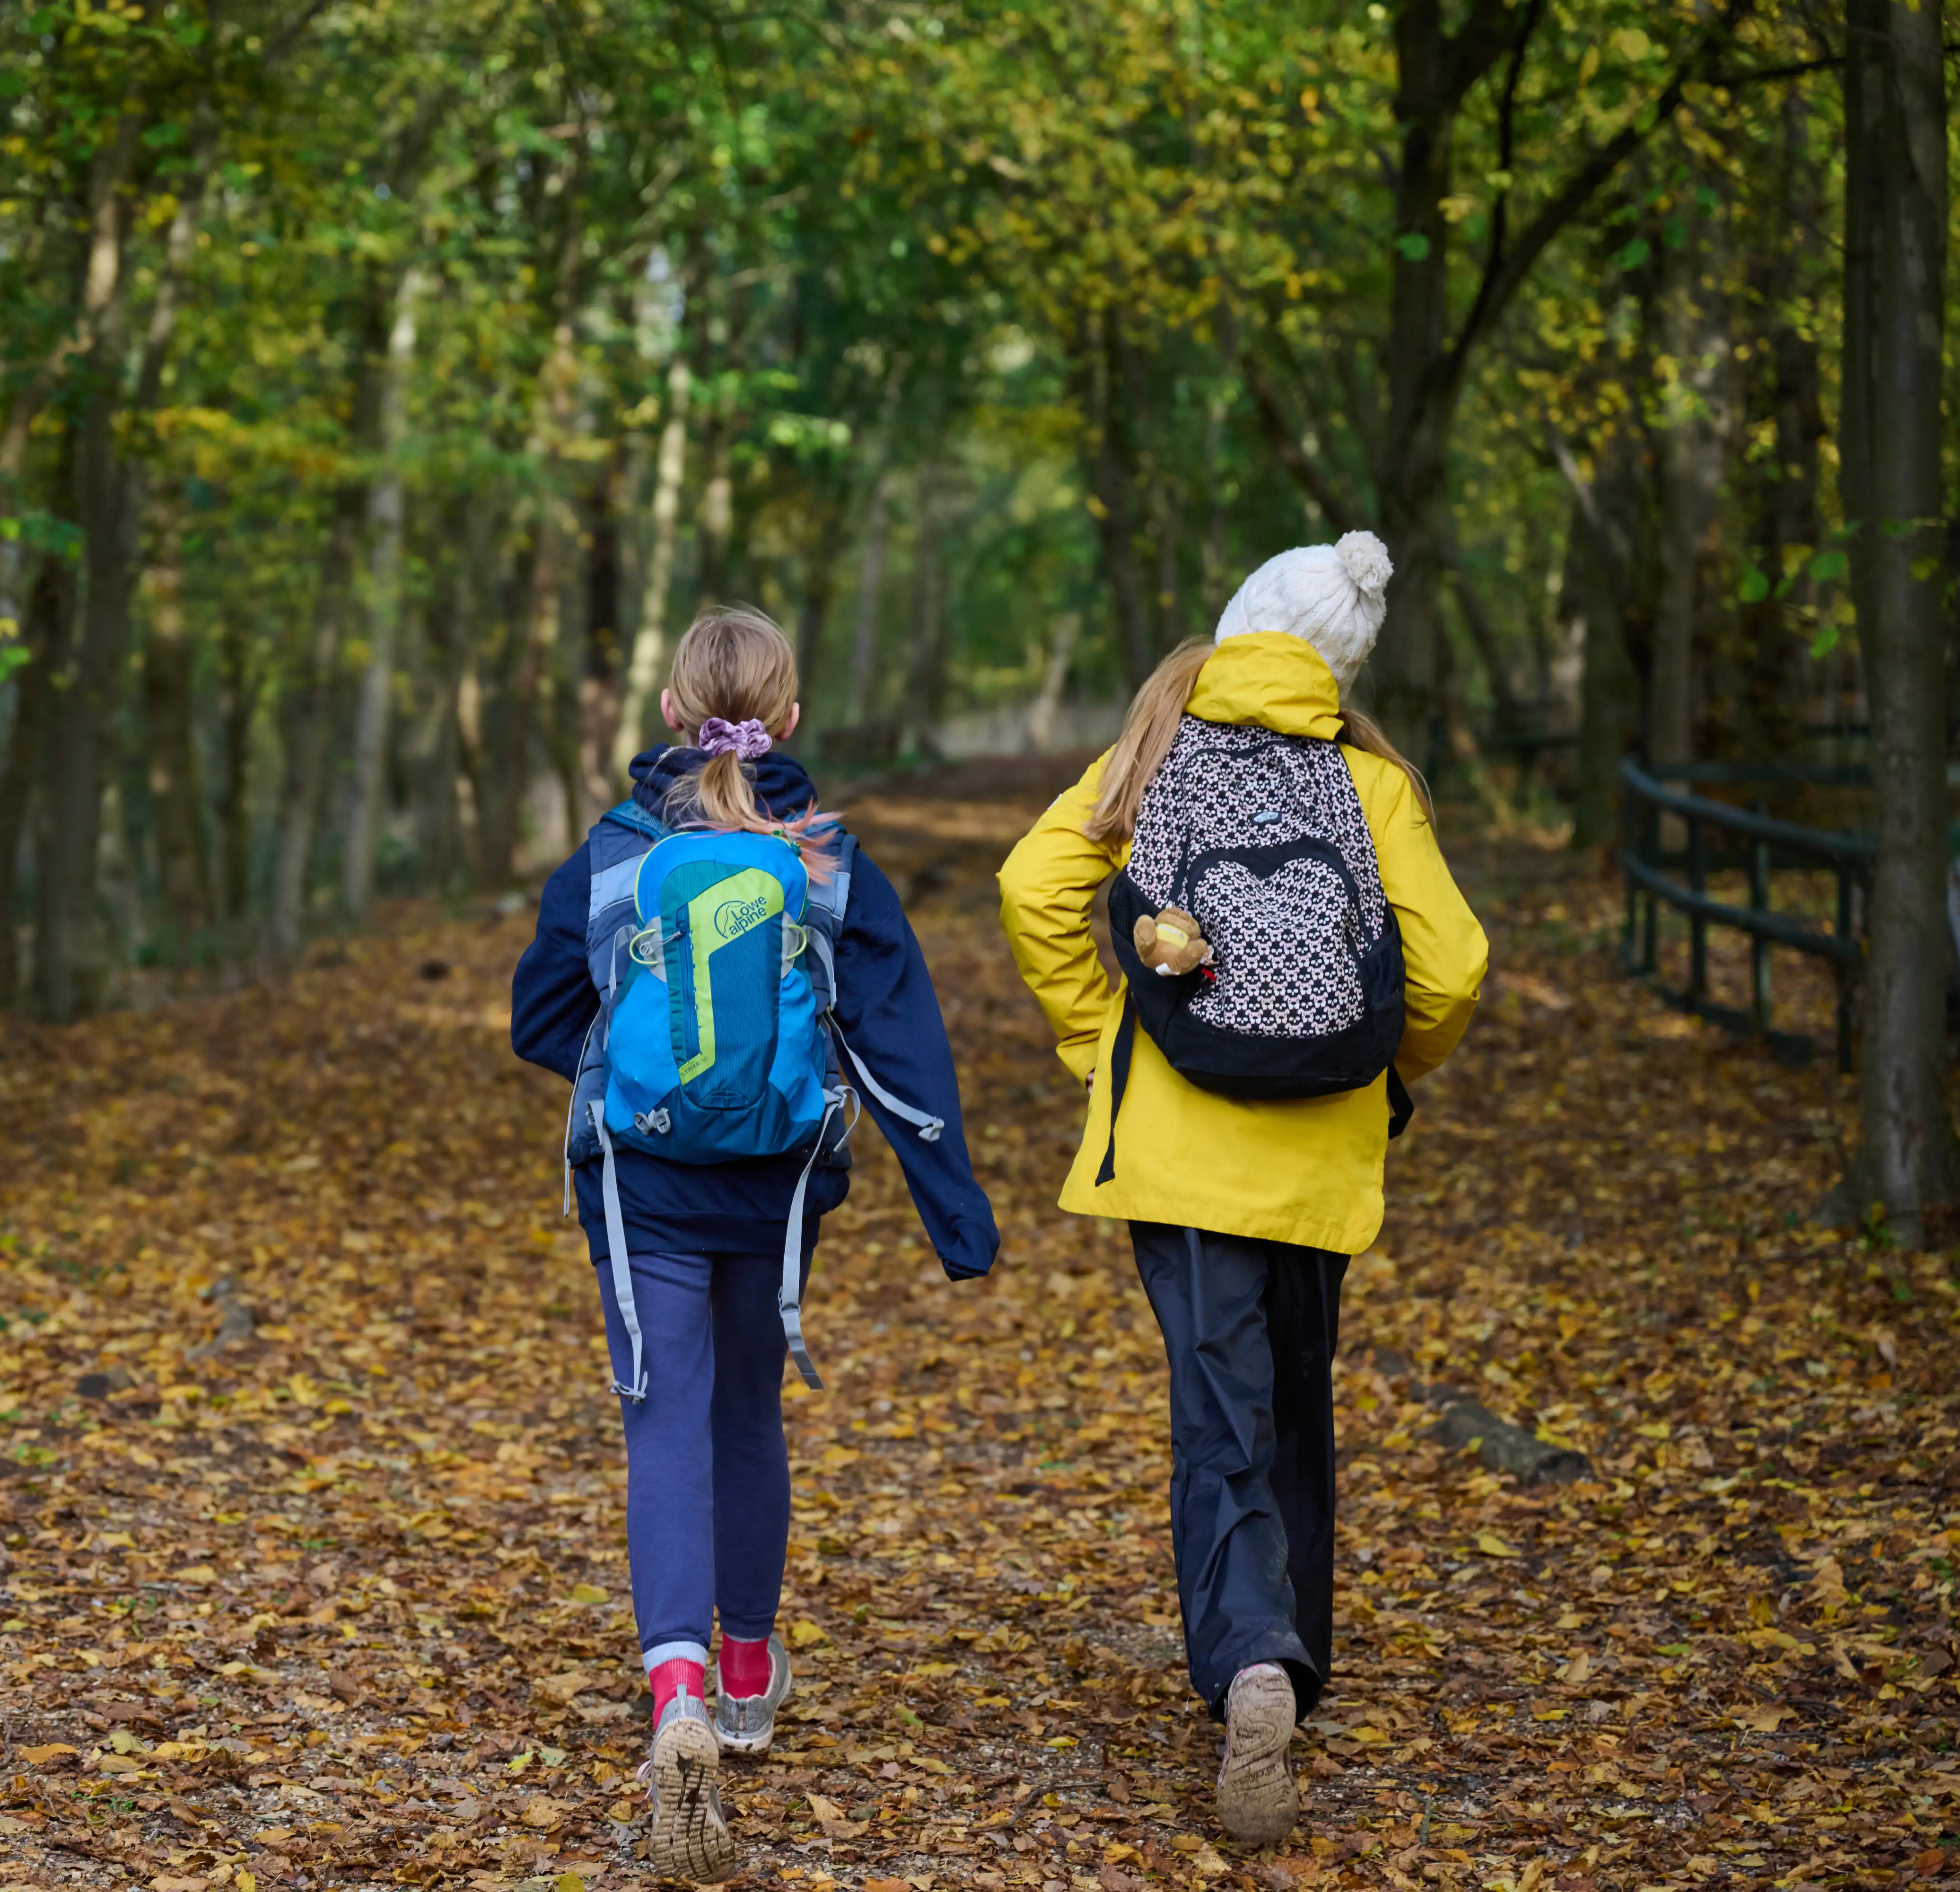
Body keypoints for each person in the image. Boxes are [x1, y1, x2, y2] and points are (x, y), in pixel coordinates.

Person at [994, 532, 1486, 1846]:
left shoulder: (1158, 756)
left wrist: (1108, 1037)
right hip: (1319, 1157)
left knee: (1221, 1408)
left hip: (1181, 1149)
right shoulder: (1370, 785)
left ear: (1239, 625)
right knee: (1296, 1400)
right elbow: (1451, 970)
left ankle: (1254, 1662)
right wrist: (1377, 1067)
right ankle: (1289, 1658)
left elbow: (1034, 884)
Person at [511, 606, 999, 1883]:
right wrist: (960, 1219)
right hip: (779, 1192)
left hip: (645, 1189)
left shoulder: (618, 854)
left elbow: (535, 1017)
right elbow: (901, 1046)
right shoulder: (828, 859)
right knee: (748, 1418)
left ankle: (672, 1688)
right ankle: (744, 1677)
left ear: (673, 715)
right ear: (787, 722)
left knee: (662, 1418)